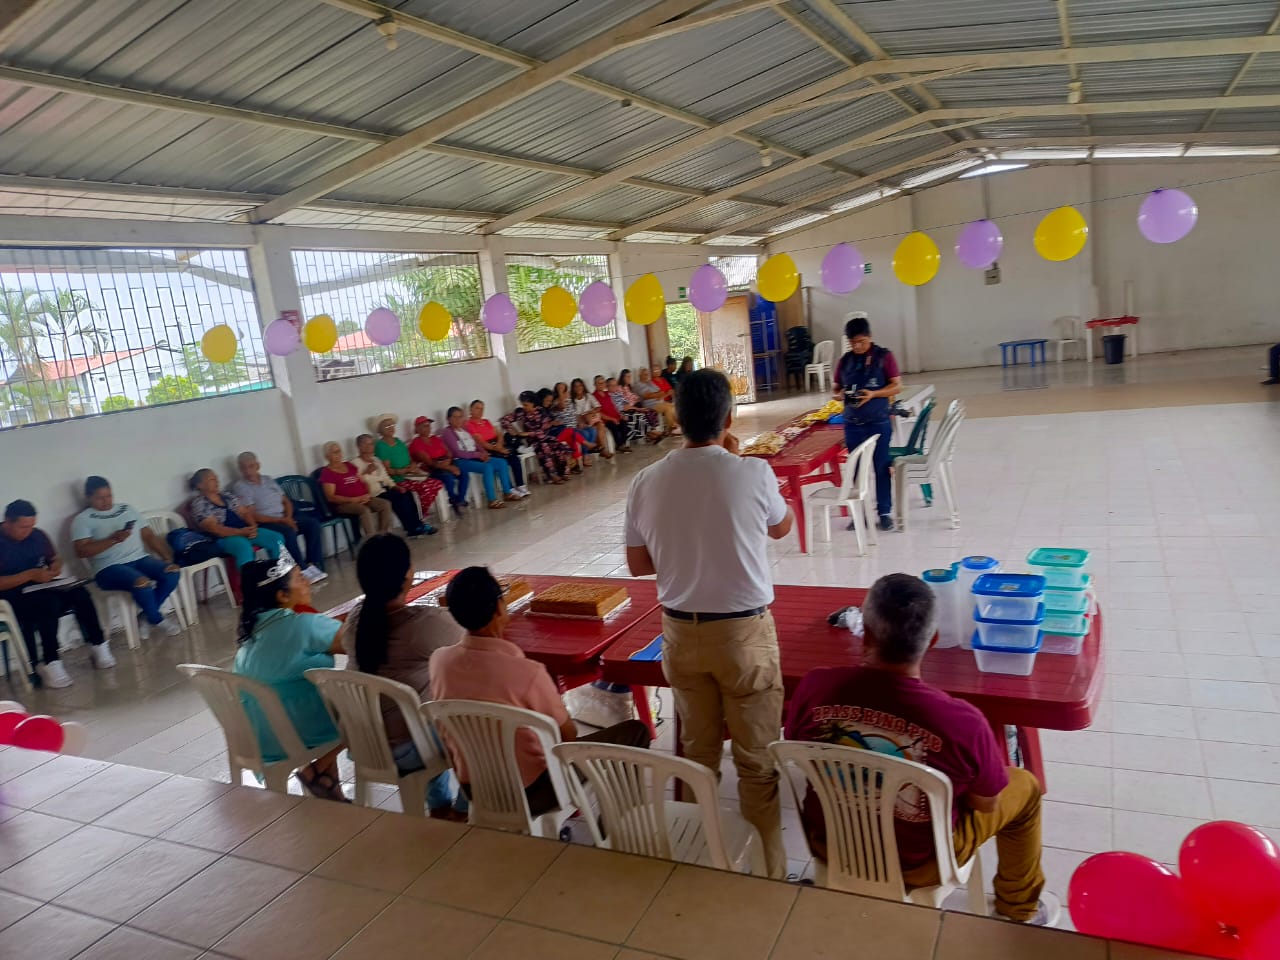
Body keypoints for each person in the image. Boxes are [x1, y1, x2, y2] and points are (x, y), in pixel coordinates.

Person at [784, 573, 1058, 926]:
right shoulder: (963, 722)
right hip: (920, 863)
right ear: (934, 641)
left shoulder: (816, 687)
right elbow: (986, 804)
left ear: (866, 633)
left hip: (830, 843)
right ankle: (1018, 908)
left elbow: (798, 747)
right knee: (1025, 787)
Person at [625, 369, 795, 877]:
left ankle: (700, 864)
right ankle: (769, 872)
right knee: (756, 761)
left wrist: (685, 546)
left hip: (681, 635)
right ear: (729, 419)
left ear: (676, 419)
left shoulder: (645, 481)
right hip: (744, 637)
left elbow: (638, 564)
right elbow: (781, 527)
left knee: (696, 756)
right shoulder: (753, 472)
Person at [431, 566, 651, 816]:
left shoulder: (439, 661)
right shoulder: (527, 672)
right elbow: (567, 734)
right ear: (499, 608)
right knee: (635, 731)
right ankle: (621, 822)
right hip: (534, 792)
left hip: (475, 789)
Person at [343, 534, 467, 820]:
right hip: (406, 749)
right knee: (474, 722)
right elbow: (471, 638)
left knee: (424, 706)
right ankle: (462, 809)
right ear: (408, 575)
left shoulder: (355, 619)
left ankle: (439, 804)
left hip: (362, 743)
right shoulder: (424, 624)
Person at [233, 556, 348, 802]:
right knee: (366, 707)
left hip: (259, 739)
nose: (307, 581)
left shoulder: (250, 635)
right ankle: (318, 768)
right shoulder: (304, 625)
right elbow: (357, 641)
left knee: (311, 696)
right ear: (282, 596)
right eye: (299, 578)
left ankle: (329, 789)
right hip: (299, 733)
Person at [0, 499, 111, 686]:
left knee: (79, 592)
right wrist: (29, 575)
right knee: (48, 603)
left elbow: (54, 558)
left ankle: (98, 645)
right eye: (23, 527)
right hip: (9, 597)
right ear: (7, 522)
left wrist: (55, 566)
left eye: (32, 526)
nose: (29, 531)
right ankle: (50, 661)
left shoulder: (37, 535)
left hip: (40, 586)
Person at [72, 476, 184, 639]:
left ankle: (146, 615)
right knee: (142, 583)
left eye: (109, 496)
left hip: (140, 559)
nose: (106, 501)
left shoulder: (127, 509)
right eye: (100, 498)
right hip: (108, 568)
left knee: (172, 572)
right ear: (89, 497)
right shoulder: (83, 519)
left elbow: (148, 536)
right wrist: (113, 539)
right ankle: (157, 619)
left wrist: (167, 558)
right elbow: (81, 551)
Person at [833, 316, 902, 532]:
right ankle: (858, 514)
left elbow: (897, 386)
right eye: (853, 343)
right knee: (855, 470)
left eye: (861, 342)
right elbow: (836, 387)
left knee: (881, 467)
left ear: (870, 337)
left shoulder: (884, 357)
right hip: (853, 424)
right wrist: (840, 394)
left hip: (878, 422)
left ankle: (884, 513)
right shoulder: (845, 361)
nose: (857, 346)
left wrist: (874, 394)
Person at [230, 453, 327, 584]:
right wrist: (283, 521)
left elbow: (286, 501)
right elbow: (251, 514)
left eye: (251, 466)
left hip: (284, 516)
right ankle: (301, 569)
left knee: (312, 524)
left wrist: (288, 517)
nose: (247, 471)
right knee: (288, 532)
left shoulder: (268, 480)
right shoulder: (240, 487)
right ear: (240, 469)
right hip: (266, 521)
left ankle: (313, 564)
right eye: (243, 467)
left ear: (258, 466)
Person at [189, 468, 286, 569]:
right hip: (224, 538)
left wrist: (253, 526)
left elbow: (245, 512)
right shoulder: (200, 503)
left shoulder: (226, 496)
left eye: (216, 478)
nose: (217, 481)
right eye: (212, 479)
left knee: (276, 538)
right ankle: (250, 578)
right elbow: (215, 529)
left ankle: (281, 573)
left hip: (244, 530)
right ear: (200, 485)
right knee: (243, 547)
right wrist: (241, 532)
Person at [354, 434, 435, 537]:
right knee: (398, 498)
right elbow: (358, 482)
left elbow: (386, 477)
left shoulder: (376, 460)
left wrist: (395, 486)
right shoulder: (355, 464)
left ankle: (418, 524)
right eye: (367, 444)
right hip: (373, 493)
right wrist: (367, 472)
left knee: (407, 493)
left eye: (372, 444)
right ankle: (412, 528)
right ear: (360, 447)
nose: (371, 446)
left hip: (384, 489)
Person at [372, 414, 446, 522]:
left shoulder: (398, 441)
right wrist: (403, 471)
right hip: (398, 480)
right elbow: (387, 470)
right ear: (380, 430)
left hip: (410, 475)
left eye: (392, 425)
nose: (391, 428)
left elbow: (410, 459)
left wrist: (412, 466)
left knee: (436, 483)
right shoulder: (380, 446)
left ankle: (421, 512)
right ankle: (419, 516)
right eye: (386, 426)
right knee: (426, 487)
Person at [440, 406, 517, 509]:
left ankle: (507, 492)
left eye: (460, 417)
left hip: (475, 456)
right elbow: (458, 453)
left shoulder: (464, 429)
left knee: (501, 462)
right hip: (461, 461)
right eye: (455, 417)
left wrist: (484, 453)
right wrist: (478, 455)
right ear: (449, 419)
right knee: (487, 467)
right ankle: (492, 500)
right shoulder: (448, 432)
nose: (458, 420)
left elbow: (476, 444)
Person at [318, 440, 393, 539]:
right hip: (343, 504)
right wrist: (352, 500)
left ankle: (383, 536)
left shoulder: (349, 465)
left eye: (339, 451)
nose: (339, 454)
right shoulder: (327, 473)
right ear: (327, 456)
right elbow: (331, 497)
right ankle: (372, 541)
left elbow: (364, 482)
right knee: (364, 510)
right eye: (335, 452)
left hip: (363, 498)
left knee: (385, 504)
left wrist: (367, 495)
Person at [502, 391, 573, 484]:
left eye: (526, 405)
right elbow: (505, 420)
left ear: (533, 403)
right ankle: (552, 475)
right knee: (544, 447)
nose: (524, 407)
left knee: (559, 446)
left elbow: (543, 430)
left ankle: (563, 471)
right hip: (534, 441)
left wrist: (526, 433)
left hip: (545, 437)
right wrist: (511, 429)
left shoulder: (542, 412)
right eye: (523, 404)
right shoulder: (521, 412)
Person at [465, 400, 531, 498]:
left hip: (496, 445)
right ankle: (509, 488)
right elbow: (480, 442)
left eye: (482, 408)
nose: (480, 411)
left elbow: (499, 433)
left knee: (514, 458)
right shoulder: (469, 424)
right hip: (485, 449)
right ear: (471, 410)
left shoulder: (486, 421)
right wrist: (497, 449)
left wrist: (499, 444)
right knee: (502, 460)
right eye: (477, 408)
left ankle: (520, 485)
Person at [409, 415, 470, 512]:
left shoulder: (434, 438)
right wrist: (448, 467)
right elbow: (429, 462)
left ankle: (460, 499)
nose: (428, 428)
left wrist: (448, 462)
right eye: (425, 426)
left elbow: (449, 453)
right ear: (417, 429)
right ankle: (453, 499)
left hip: (445, 463)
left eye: (429, 425)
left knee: (464, 474)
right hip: (432, 469)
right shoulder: (416, 443)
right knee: (448, 478)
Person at [542, 387, 590, 468]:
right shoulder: (540, 411)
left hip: (558, 431)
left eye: (550, 401)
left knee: (574, 439)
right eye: (548, 401)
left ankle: (578, 465)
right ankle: (586, 444)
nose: (549, 403)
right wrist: (551, 423)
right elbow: (541, 426)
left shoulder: (548, 409)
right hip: (549, 435)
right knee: (572, 431)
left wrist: (555, 423)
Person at [569, 378, 612, 458]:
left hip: (591, 419)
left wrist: (591, 412)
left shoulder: (588, 396)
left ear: (583, 386)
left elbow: (598, 407)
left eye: (580, 385)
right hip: (580, 422)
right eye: (576, 386)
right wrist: (584, 417)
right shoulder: (571, 400)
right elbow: (574, 415)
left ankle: (603, 449)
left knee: (600, 425)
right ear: (573, 388)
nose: (578, 388)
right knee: (594, 428)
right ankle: (600, 449)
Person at [617, 370, 663, 441]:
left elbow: (635, 397)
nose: (629, 378)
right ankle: (653, 433)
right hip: (629, 409)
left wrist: (636, 401)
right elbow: (625, 403)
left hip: (635, 406)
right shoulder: (620, 388)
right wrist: (636, 405)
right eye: (627, 377)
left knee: (650, 412)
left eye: (630, 376)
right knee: (642, 415)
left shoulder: (628, 387)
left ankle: (652, 433)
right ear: (622, 377)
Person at [592, 375, 631, 453]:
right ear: (595, 384)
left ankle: (622, 444)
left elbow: (614, 406)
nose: (601, 385)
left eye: (603, 383)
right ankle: (619, 446)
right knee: (613, 427)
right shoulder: (593, 396)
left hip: (616, 416)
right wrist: (612, 419)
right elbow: (599, 412)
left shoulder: (607, 393)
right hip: (606, 419)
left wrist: (621, 415)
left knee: (624, 424)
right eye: (599, 383)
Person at [635, 366, 678, 434]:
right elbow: (647, 396)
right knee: (668, 408)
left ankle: (674, 427)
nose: (646, 376)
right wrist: (656, 394)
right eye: (645, 374)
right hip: (650, 405)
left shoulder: (649, 382)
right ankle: (672, 429)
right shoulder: (638, 385)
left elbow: (661, 391)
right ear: (640, 375)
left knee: (673, 406)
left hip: (658, 402)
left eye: (647, 374)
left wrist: (655, 394)